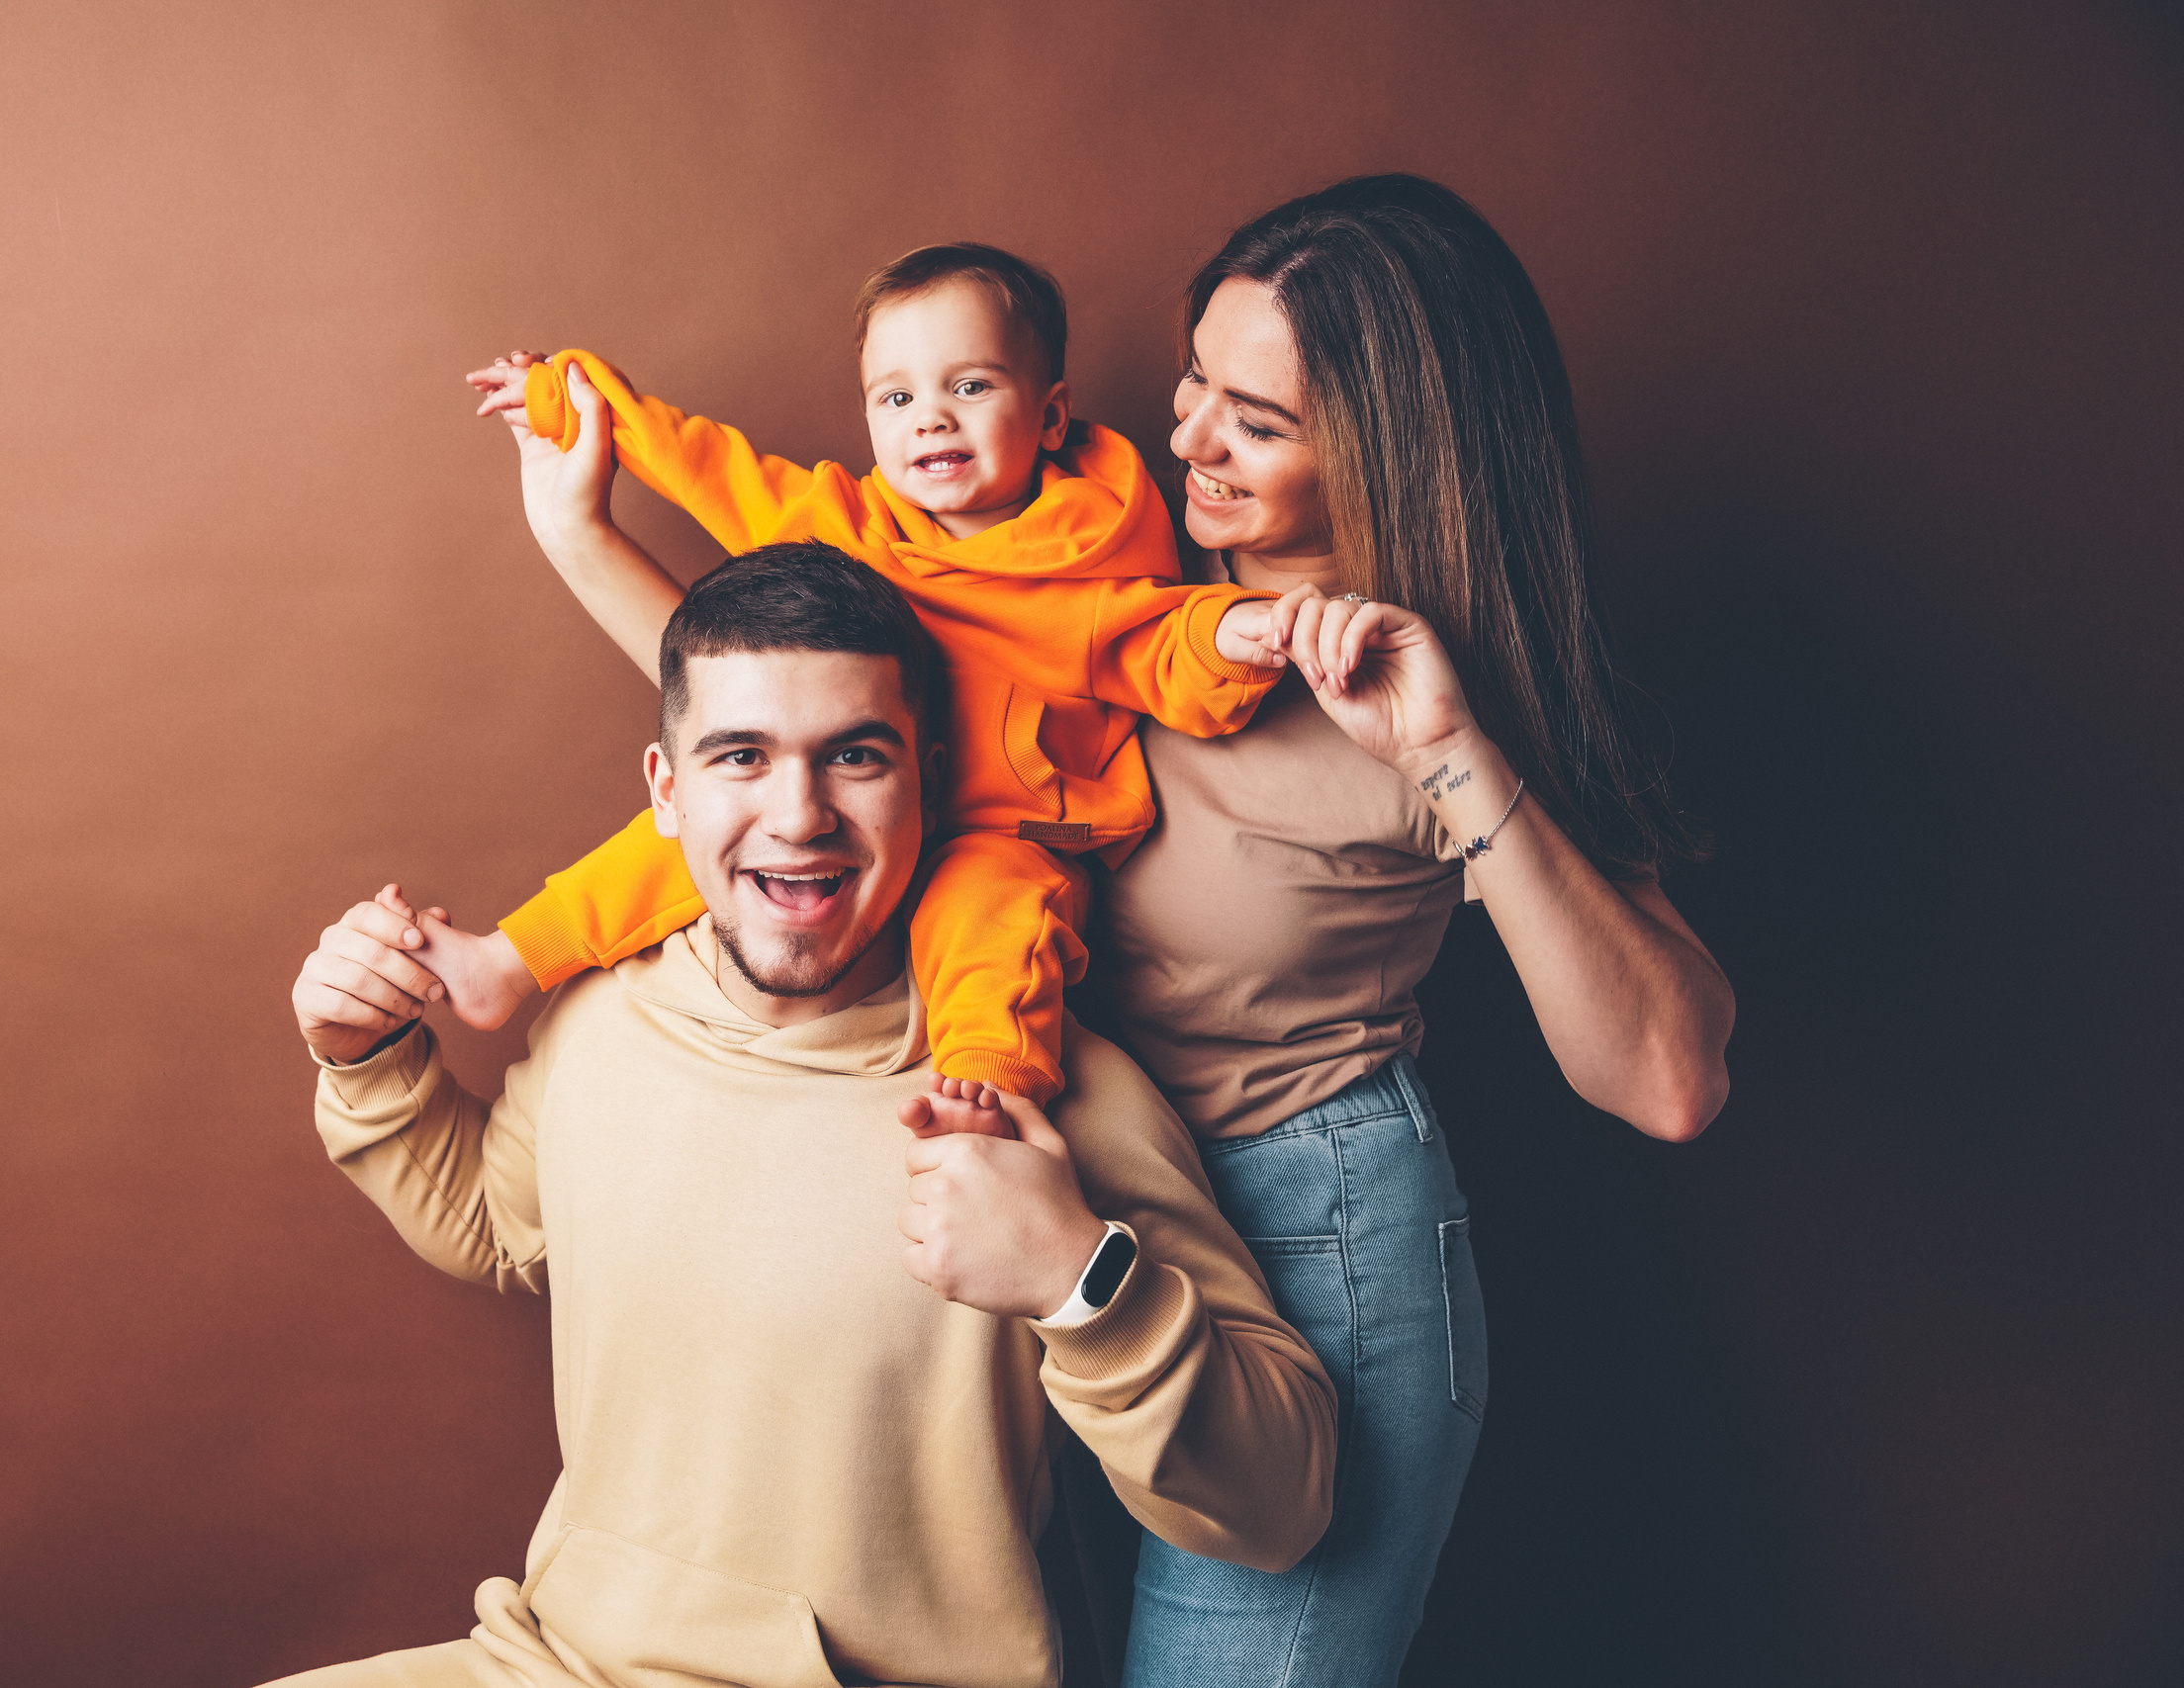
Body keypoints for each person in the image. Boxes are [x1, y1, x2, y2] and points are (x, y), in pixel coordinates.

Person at [466, 178, 1738, 1688]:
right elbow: (807, 727)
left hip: (1307, 1230)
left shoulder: (1447, 678)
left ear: (1390, 446)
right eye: (1199, 378)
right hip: (1057, 1206)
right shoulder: (1105, 561)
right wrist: (580, 531)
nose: (1190, 432)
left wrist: (1448, 747)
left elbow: (1668, 1074)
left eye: (1256, 421)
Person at [277, 542, 1337, 1688]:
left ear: (924, 777)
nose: (801, 815)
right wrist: (372, 1057)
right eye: (742, 756)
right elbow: (499, 1224)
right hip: (551, 1662)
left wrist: (1081, 1283)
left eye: (855, 758)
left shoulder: (1047, 1095)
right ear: (666, 790)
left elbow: (1283, 1509)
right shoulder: (601, 1021)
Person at [410, 242, 1308, 1113]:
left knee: (992, 924)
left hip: (1005, 822)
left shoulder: (1093, 548)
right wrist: (563, 398)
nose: (931, 417)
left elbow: (1159, 639)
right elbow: (711, 466)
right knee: (687, 834)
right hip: (854, 802)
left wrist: (1245, 630)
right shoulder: (848, 522)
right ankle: (505, 965)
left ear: (1050, 414)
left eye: (970, 386)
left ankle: (989, 1093)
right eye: (896, 396)